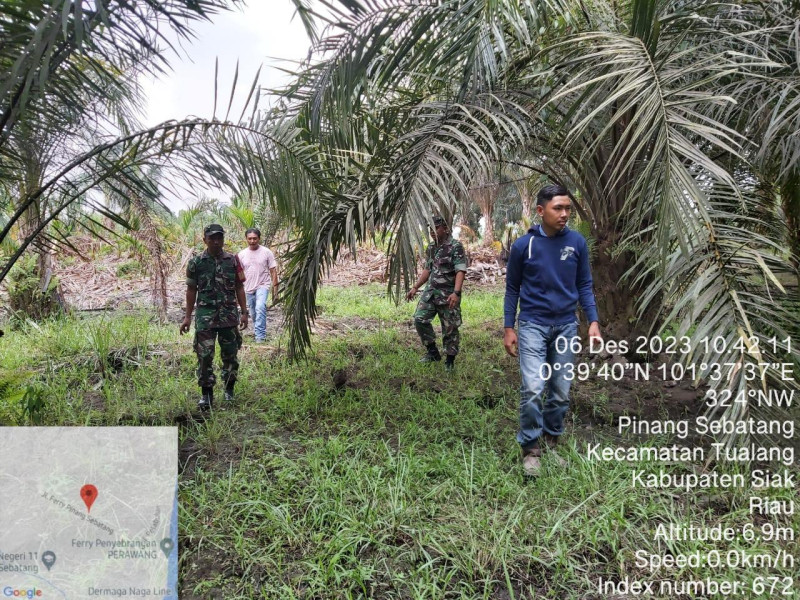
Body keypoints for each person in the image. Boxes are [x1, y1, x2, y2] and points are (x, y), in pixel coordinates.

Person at [503, 184, 602, 477]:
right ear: (540, 211)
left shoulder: (577, 243)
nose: (564, 214)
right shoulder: (524, 246)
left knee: (560, 389)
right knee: (533, 387)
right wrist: (509, 327)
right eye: (558, 208)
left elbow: (584, 284)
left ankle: (551, 441)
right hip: (533, 324)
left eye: (568, 208)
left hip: (566, 326)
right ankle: (530, 449)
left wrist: (593, 321)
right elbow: (512, 289)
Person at [180, 224, 249, 410]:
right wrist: (187, 317)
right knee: (204, 356)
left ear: (223, 239)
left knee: (230, 355)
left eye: (219, 238)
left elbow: (239, 287)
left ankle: (229, 390)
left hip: (228, 317)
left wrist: (244, 312)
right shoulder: (196, 263)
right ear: (205, 240)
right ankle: (206, 395)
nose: (216, 241)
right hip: (205, 318)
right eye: (212, 238)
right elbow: (191, 290)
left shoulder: (233, 261)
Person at [406, 216, 467, 372]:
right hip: (431, 293)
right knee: (420, 319)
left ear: (445, 228)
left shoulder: (455, 246)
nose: (432, 232)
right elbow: (428, 269)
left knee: (450, 328)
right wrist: (415, 287)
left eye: (436, 228)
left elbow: (460, 270)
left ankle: (450, 360)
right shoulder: (432, 247)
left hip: (448, 294)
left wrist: (456, 292)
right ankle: (432, 352)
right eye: (430, 229)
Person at [238, 228, 279, 343]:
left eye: (254, 238)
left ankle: (260, 337)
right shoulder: (242, 254)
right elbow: (239, 273)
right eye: (250, 238)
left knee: (260, 307)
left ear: (259, 238)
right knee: (253, 312)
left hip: (263, 285)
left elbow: (273, 271)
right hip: (248, 287)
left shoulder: (266, 252)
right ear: (246, 239)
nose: (252, 241)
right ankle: (258, 331)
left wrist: (275, 291)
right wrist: (237, 290)